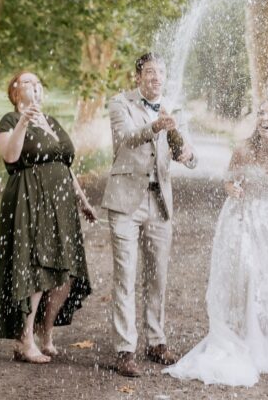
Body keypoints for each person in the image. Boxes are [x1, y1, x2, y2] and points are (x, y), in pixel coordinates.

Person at [164, 98, 268, 387]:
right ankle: (243, 337)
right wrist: (233, 189)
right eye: (261, 113)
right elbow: (228, 182)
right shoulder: (244, 150)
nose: (264, 118)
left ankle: (267, 340)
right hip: (243, 218)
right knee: (249, 275)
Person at [0, 70, 96, 363]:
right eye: (27, 82)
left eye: (38, 83)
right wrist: (24, 119)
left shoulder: (51, 121)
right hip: (30, 199)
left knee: (65, 272)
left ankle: (45, 332)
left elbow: (64, 162)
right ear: (15, 90)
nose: (34, 87)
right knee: (36, 268)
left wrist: (82, 199)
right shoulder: (9, 121)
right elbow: (10, 157)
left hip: (61, 204)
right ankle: (24, 341)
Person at [103, 53, 197, 378]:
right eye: (149, 72)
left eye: (160, 72)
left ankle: (156, 342)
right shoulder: (120, 103)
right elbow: (127, 138)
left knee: (157, 276)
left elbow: (188, 153)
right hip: (125, 202)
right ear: (138, 76)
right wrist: (155, 125)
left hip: (160, 204)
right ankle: (124, 349)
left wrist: (187, 155)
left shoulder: (176, 109)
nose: (155, 77)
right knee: (125, 276)